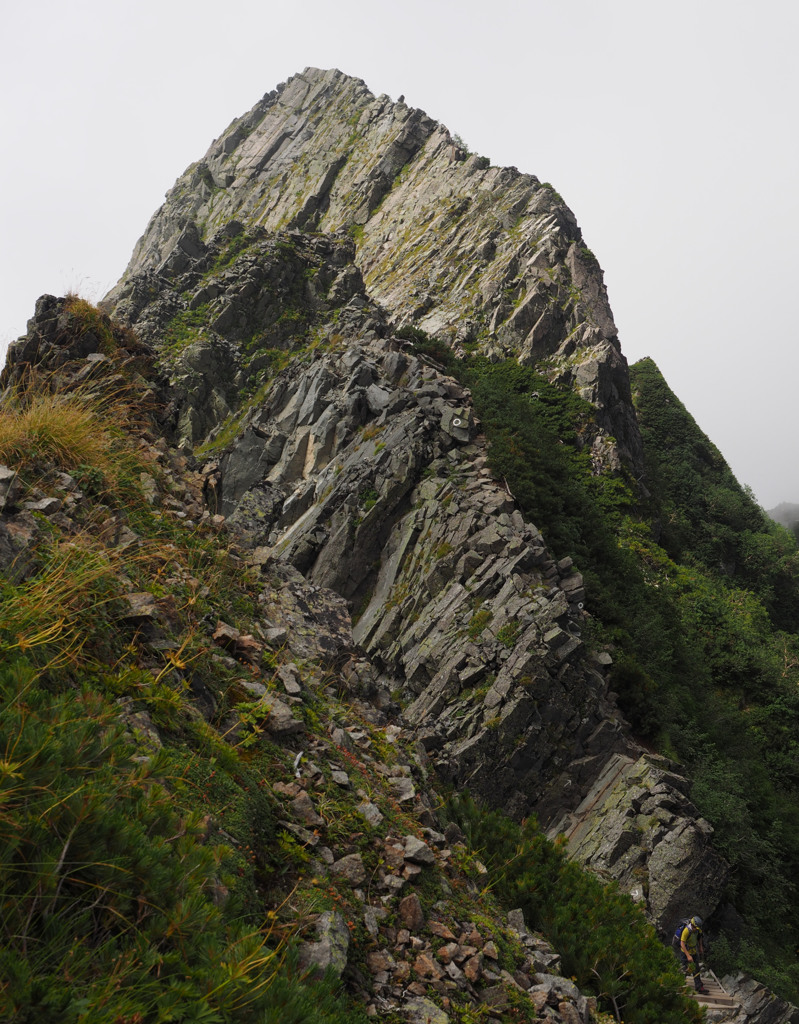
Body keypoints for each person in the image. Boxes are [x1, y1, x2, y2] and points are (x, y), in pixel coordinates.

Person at [679, 916, 708, 994]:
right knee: (684, 969)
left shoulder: (698, 930)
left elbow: (700, 937)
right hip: (685, 953)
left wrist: (701, 947)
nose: (697, 929)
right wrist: (688, 956)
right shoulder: (686, 931)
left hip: (694, 951)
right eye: (696, 928)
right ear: (692, 925)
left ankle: (699, 987)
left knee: (696, 969)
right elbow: (682, 943)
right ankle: (680, 986)